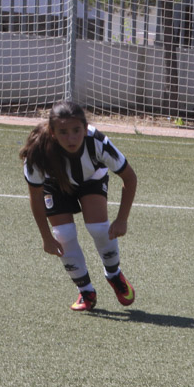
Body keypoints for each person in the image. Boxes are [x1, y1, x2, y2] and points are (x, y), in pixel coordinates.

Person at [20, 100, 138, 311]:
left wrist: (122, 219)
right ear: (53, 132)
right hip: (54, 185)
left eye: (76, 130)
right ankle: (86, 290)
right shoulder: (38, 152)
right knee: (63, 235)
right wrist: (46, 237)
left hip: (92, 178)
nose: (71, 137)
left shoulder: (98, 142)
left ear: (85, 128)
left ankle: (114, 274)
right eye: (63, 132)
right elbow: (36, 196)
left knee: (99, 228)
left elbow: (130, 178)